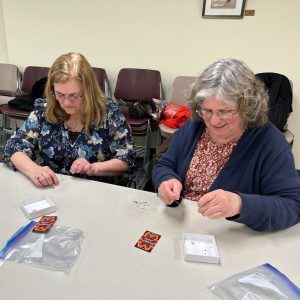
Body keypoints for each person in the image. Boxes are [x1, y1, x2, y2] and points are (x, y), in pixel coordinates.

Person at [152, 58, 300, 232]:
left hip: (231, 237)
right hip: (182, 225)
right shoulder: (195, 125)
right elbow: (165, 164)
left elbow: (293, 205)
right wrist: (165, 180)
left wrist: (239, 204)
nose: (214, 121)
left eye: (225, 111)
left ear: (247, 108)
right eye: (207, 110)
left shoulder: (270, 142)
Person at [4, 52, 135, 187]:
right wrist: (34, 170)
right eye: (60, 94)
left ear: (88, 90)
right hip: (52, 188)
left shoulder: (108, 112)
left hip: (96, 189)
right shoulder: (45, 109)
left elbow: (126, 158)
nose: (66, 103)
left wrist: (93, 168)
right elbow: (14, 146)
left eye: (74, 95)